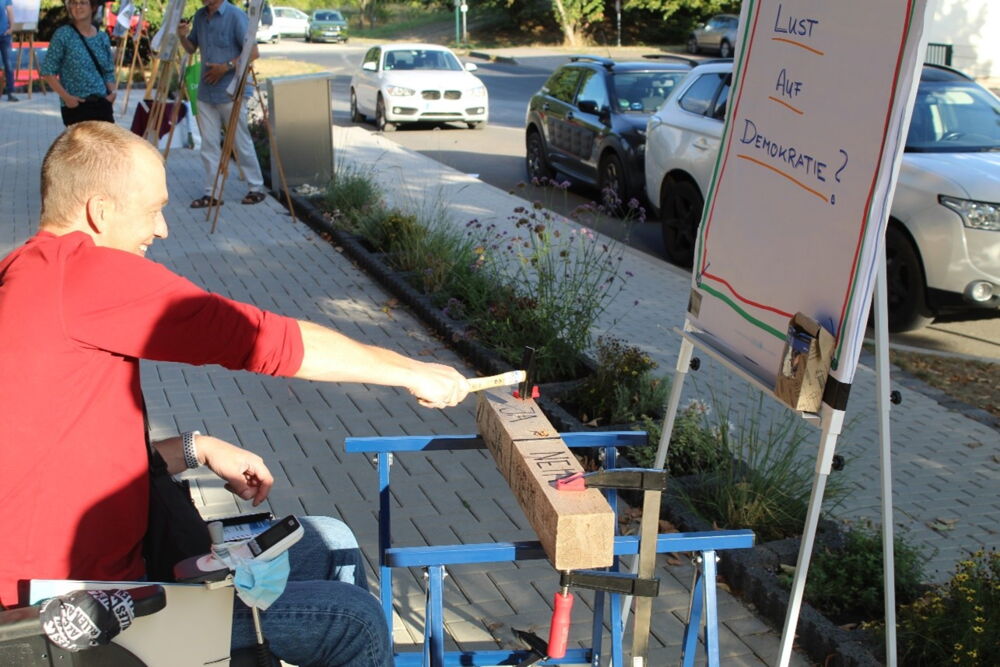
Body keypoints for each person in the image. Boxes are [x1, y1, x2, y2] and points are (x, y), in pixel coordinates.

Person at [0, 121, 472, 666]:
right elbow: (261, 339)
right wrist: (411, 371)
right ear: (100, 211)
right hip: (78, 615)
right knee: (352, 620)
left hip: (120, 572)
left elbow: (64, 452)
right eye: (153, 210)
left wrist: (198, 448)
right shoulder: (80, 275)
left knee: (331, 540)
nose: (162, 229)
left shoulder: (30, 274)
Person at [177, 0, 266, 208]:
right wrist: (182, 36)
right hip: (206, 91)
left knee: (239, 141)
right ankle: (212, 193)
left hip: (231, 91)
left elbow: (253, 52)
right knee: (209, 144)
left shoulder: (235, 15)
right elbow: (191, 48)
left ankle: (256, 187)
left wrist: (225, 67)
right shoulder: (200, 16)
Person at [40, 0, 116, 126]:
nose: (78, 6)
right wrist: (67, 98)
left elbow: (108, 70)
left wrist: (112, 95)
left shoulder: (102, 37)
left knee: (104, 139)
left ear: (93, 7)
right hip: (76, 106)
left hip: (102, 104)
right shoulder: (63, 35)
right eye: (74, 3)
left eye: (83, 3)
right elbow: (48, 71)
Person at [0, 0, 17, 102]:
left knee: (8, 64)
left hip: (4, 35)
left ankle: (11, 93)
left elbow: (10, 11)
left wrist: (11, 28)